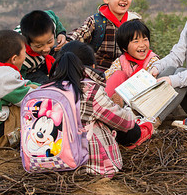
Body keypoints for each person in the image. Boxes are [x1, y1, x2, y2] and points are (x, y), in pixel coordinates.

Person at [51, 41, 157, 178]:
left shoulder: (47, 88)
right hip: (86, 164)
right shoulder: (89, 90)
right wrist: (125, 111)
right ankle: (143, 128)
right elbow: (124, 122)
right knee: (124, 123)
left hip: (48, 158)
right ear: (93, 67)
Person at [67, 0, 141, 72]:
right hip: (98, 74)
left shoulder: (134, 22)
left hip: (126, 73)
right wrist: (67, 41)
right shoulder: (96, 21)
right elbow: (80, 33)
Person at [104, 19, 160, 98]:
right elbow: (109, 78)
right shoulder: (121, 60)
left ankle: (122, 103)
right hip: (120, 96)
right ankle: (104, 102)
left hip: (143, 98)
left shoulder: (152, 60)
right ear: (124, 48)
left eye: (145, 40)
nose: (142, 45)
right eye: (136, 41)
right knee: (118, 75)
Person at [18, 10, 67, 83]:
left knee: (67, 51)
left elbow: (52, 15)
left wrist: (61, 33)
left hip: (43, 58)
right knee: (46, 84)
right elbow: (19, 79)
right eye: (39, 46)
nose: (46, 49)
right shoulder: (22, 57)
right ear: (27, 43)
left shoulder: (49, 23)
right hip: (31, 72)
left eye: (49, 42)